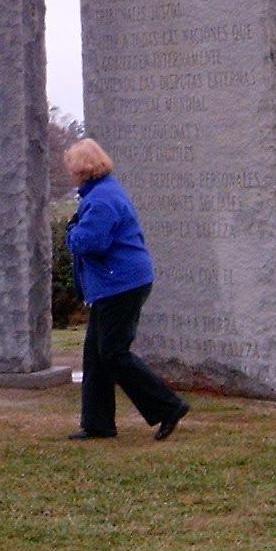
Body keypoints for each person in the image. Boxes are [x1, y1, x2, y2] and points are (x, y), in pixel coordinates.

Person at [65, 139, 189, 441]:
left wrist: (71, 232)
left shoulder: (102, 199)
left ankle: (168, 406)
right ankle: (98, 423)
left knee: (113, 353)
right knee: (96, 355)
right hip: (117, 281)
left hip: (120, 284)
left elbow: (92, 243)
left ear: (82, 169)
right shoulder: (104, 192)